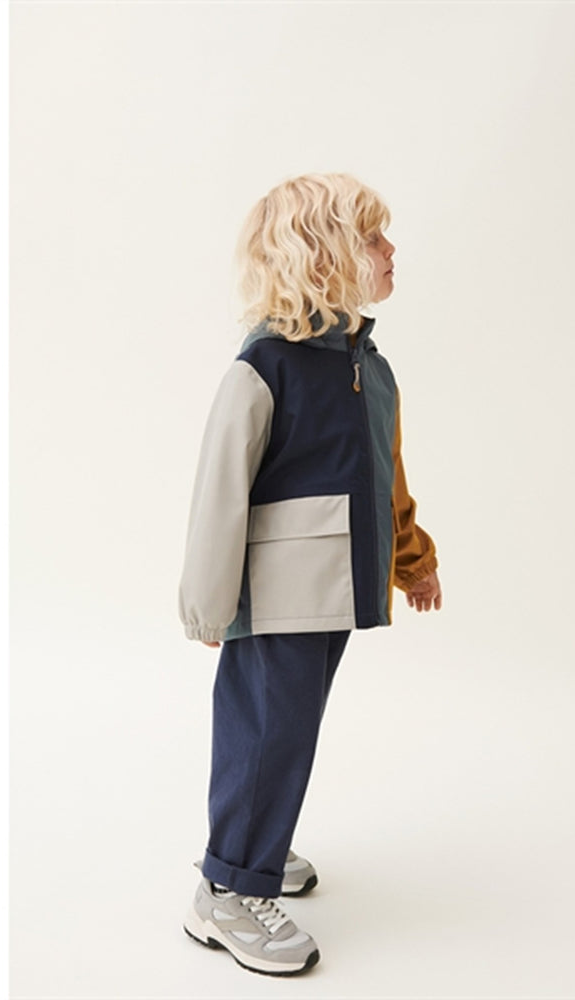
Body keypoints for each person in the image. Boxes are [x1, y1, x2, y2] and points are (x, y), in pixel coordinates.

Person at [177, 172, 442, 976]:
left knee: (289, 729)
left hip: (336, 588)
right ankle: (228, 887)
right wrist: (208, 603)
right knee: (265, 730)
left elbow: (386, 478)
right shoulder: (265, 366)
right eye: (372, 238)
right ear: (321, 255)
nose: (391, 249)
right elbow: (220, 488)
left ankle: (255, 844)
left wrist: (412, 561)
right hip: (278, 594)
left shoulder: (370, 368)